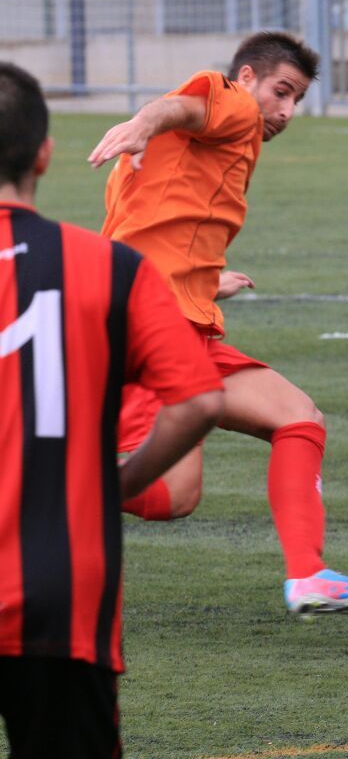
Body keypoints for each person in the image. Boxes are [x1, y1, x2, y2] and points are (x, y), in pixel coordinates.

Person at [90, 32, 348, 616]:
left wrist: (206, 282)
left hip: (177, 320)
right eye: (281, 92)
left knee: (297, 420)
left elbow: (150, 226)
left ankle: (309, 576)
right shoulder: (229, 102)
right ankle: (40, 485)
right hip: (145, 329)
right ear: (248, 77)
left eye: (297, 100)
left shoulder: (214, 143)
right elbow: (182, 105)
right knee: (170, 491)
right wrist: (142, 121)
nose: (286, 111)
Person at [0, 62, 224, 757]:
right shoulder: (110, 267)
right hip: (62, 596)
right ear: (44, 152)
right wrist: (120, 483)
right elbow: (198, 400)